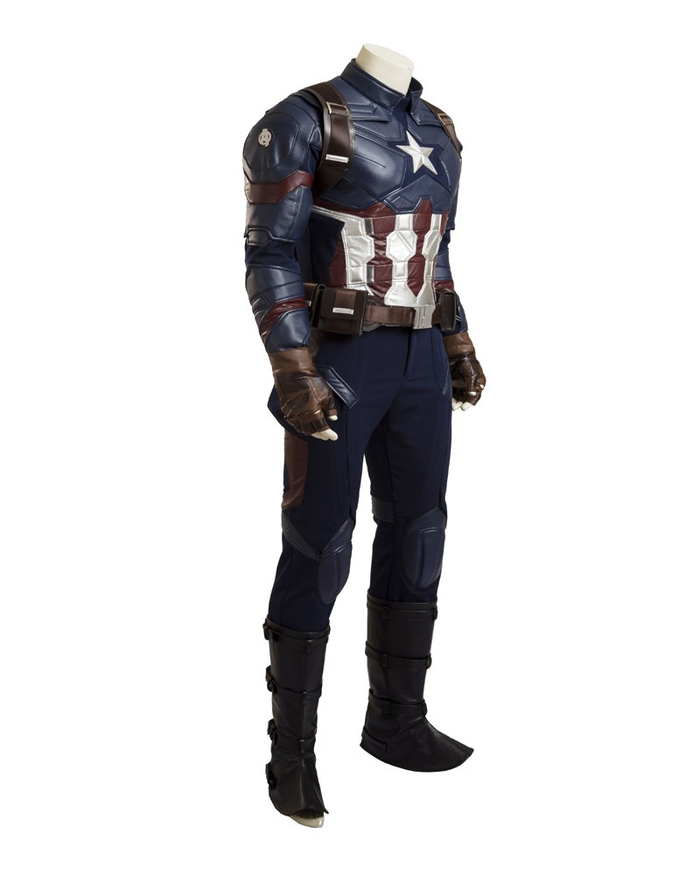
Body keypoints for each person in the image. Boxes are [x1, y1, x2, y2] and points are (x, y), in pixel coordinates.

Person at [242, 44, 486, 828]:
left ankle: (397, 720)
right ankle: (291, 756)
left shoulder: (437, 126)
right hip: (340, 360)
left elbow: (434, 252)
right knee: (320, 541)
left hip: (420, 361)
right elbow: (269, 252)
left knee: (421, 529)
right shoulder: (304, 120)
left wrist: (457, 342)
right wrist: (293, 368)